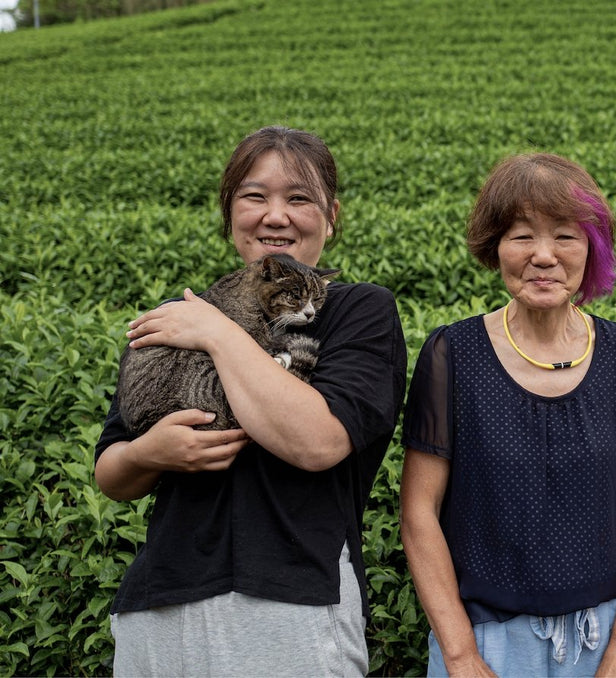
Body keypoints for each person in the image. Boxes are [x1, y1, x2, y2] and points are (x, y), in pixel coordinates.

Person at [94, 126, 407, 676]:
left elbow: (316, 442)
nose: (276, 215)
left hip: (292, 603)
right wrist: (150, 453)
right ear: (230, 215)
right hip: (159, 605)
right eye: (254, 197)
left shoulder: (360, 311)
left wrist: (216, 334)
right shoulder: (185, 312)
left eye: (299, 198)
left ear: (331, 216)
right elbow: (112, 472)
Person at [400, 153, 616, 677]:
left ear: (591, 249)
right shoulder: (452, 354)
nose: (543, 256)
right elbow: (418, 512)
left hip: (606, 639)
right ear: (495, 247)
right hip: (485, 642)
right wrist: (459, 653)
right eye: (522, 235)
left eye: (565, 236)